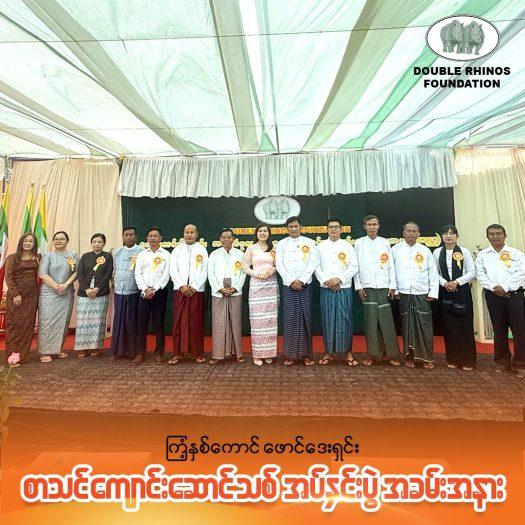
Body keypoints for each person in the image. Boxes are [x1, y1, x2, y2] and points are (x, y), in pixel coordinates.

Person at [476, 224, 525, 370]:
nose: (495, 236)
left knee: (519, 328)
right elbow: (480, 274)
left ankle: (521, 361)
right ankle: (502, 360)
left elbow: (521, 272)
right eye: (491, 234)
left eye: (498, 233)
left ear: (505, 235)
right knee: (499, 328)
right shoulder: (483, 255)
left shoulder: (516, 253)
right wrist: (494, 287)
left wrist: (505, 287)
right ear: (487, 237)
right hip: (493, 295)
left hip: (514, 295)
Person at [354, 215, 400, 366]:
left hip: (384, 287)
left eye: (374, 224)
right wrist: (358, 286)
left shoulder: (385, 242)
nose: (372, 227)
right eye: (369, 224)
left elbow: (391, 266)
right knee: (371, 322)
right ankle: (372, 355)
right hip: (367, 287)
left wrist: (392, 285)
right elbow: (355, 266)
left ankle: (391, 354)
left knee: (386, 321)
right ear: (364, 226)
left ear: (379, 226)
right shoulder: (359, 243)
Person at [392, 222, 439, 369]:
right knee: (407, 326)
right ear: (403, 233)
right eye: (409, 231)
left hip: (422, 292)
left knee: (424, 325)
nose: (411, 234)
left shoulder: (425, 250)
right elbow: (391, 271)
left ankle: (427, 358)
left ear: (418, 234)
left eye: (414, 231)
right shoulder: (395, 249)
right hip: (403, 292)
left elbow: (433, 272)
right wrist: (395, 289)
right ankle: (409, 357)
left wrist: (433, 291)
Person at [315, 217, 358, 365]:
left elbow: (354, 267)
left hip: (343, 287)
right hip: (326, 288)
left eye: (336, 227)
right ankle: (329, 353)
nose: (333, 229)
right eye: (331, 227)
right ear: (327, 230)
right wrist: (327, 281)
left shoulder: (348, 246)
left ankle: (348, 353)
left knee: (345, 319)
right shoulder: (320, 246)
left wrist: (339, 279)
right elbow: (316, 267)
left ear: (341, 229)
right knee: (328, 319)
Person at [433, 225, 477, 370]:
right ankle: (453, 359)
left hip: (462, 290)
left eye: (452, 233)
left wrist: (456, 282)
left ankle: (468, 360)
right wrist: (445, 283)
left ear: (457, 236)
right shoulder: (437, 252)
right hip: (445, 290)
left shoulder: (464, 251)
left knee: (465, 326)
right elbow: (434, 272)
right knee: (450, 327)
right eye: (445, 233)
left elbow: (472, 271)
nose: (448, 236)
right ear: (442, 236)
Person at [275, 216, 318, 366]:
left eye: (296, 226)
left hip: (305, 285)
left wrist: (302, 280)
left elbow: (313, 263)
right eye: (291, 227)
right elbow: (279, 265)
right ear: (286, 229)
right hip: (289, 286)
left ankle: (306, 355)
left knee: (306, 318)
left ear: (301, 227)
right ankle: (290, 355)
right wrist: (291, 281)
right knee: (290, 319)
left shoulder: (310, 242)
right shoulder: (281, 244)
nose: (293, 229)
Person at [168, 224, 208, 365]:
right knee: (179, 322)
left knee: (196, 323)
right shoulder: (177, 249)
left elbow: (205, 270)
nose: (189, 235)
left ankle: (197, 354)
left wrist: (195, 286)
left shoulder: (201, 249)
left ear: (196, 234)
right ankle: (177, 354)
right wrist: (182, 285)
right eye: (187, 232)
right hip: (180, 291)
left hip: (197, 291)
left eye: (192, 232)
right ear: (183, 234)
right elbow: (173, 269)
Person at [38, 231, 79, 363]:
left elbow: (77, 271)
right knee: (47, 322)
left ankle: (57, 349)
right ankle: (44, 351)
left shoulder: (73, 255)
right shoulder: (48, 255)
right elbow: (42, 274)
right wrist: (57, 286)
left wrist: (66, 284)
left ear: (67, 241)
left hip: (66, 292)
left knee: (63, 322)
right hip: (49, 293)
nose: (58, 241)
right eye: (56, 239)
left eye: (61, 239)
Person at [208, 228, 247, 364]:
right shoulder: (214, 254)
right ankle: (218, 355)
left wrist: (235, 287)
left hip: (235, 291)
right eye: (223, 237)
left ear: (233, 238)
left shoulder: (240, 254)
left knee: (235, 322)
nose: (226, 240)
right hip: (218, 293)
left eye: (229, 237)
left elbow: (243, 274)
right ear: (220, 239)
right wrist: (220, 288)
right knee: (219, 323)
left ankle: (238, 354)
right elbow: (210, 274)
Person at [133, 227, 170, 365]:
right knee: (141, 323)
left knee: (159, 324)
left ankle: (159, 353)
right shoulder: (142, 254)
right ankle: (140, 354)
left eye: (155, 236)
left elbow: (166, 274)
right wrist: (145, 289)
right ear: (147, 238)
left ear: (160, 238)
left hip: (159, 292)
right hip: (144, 292)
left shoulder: (166, 254)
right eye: (150, 236)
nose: (153, 238)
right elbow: (137, 273)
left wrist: (154, 289)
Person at [243, 223, 279, 366]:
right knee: (257, 321)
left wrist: (271, 271)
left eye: (265, 231)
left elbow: (278, 265)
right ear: (256, 233)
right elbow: (245, 267)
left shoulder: (274, 248)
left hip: (271, 286)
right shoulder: (251, 248)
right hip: (256, 286)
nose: (262, 233)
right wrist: (257, 274)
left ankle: (269, 354)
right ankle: (257, 355)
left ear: (269, 233)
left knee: (270, 320)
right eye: (260, 231)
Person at [74, 233, 113, 358]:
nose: (97, 244)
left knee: (98, 321)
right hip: (84, 293)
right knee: (83, 321)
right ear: (91, 243)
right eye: (94, 242)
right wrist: (86, 289)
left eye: (99, 242)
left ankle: (95, 347)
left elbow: (108, 273)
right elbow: (80, 273)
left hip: (100, 293)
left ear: (104, 243)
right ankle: (82, 348)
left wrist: (97, 289)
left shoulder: (108, 256)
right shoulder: (85, 256)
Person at [4, 233, 40, 365]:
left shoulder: (37, 258)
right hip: (16, 296)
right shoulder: (12, 257)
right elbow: (8, 276)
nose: (28, 243)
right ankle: (12, 355)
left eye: (31, 241)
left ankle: (22, 356)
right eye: (25, 241)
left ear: (34, 244)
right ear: (21, 242)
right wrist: (15, 294)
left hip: (32, 296)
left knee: (27, 325)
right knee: (14, 325)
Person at [110, 226, 143, 360]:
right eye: (126, 235)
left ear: (136, 237)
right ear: (122, 237)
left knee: (131, 321)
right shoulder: (116, 252)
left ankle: (132, 351)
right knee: (118, 321)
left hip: (134, 291)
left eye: (131, 235)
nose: (128, 237)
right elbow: (113, 270)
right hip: (119, 291)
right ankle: (117, 351)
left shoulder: (141, 251)